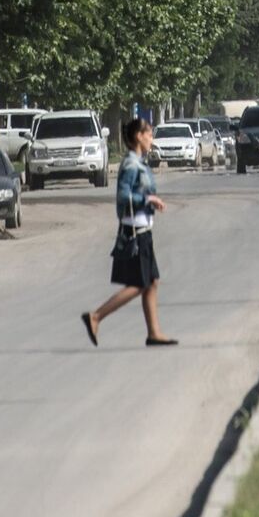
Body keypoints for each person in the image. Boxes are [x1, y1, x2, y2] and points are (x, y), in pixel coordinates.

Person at [81, 118, 173, 347]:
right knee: (139, 284)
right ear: (139, 137)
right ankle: (96, 316)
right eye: (149, 134)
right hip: (135, 231)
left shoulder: (140, 163)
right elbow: (123, 196)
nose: (152, 139)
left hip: (144, 228)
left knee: (152, 281)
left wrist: (149, 201)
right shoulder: (131, 165)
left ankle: (154, 333)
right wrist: (148, 198)